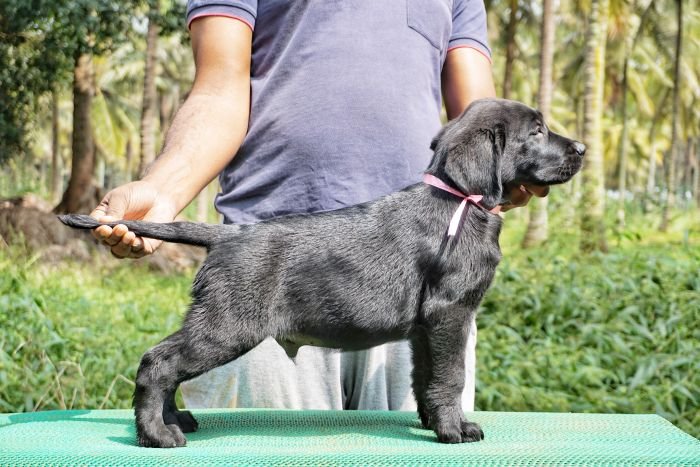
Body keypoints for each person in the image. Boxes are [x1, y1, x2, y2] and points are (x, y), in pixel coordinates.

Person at [91, 1, 546, 412]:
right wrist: (162, 190)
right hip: (278, 266)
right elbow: (219, 90)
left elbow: (482, 116)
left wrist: (523, 167)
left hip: (424, 270)